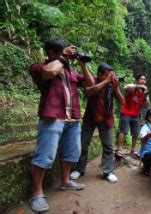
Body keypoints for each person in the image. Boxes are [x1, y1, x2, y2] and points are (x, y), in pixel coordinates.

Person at [28, 38, 94, 212]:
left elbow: (90, 85)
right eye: (63, 51)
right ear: (51, 53)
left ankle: (65, 182)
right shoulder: (39, 67)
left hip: (72, 119)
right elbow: (50, 72)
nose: (68, 56)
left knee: (71, 153)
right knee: (44, 155)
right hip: (52, 118)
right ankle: (37, 193)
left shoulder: (70, 72)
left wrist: (83, 65)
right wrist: (63, 57)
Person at [69, 63, 124, 182]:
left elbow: (122, 102)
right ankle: (79, 169)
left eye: (112, 75)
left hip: (106, 119)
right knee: (83, 144)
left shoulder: (112, 86)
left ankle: (108, 171)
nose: (111, 77)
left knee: (108, 147)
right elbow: (90, 91)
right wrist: (106, 81)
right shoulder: (91, 80)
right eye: (108, 75)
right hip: (90, 118)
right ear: (100, 74)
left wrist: (117, 88)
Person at [116, 73, 150, 157]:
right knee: (123, 131)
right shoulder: (132, 89)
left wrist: (145, 95)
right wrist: (138, 87)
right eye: (141, 79)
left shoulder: (145, 92)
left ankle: (133, 150)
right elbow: (126, 87)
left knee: (135, 133)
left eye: (144, 79)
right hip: (126, 113)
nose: (143, 81)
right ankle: (118, 150)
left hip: (136, 115)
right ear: (137, 80)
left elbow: (147, 105)